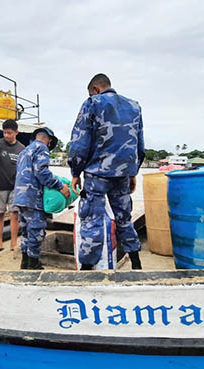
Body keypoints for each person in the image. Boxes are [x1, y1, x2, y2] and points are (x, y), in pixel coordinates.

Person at [68, 73, 145, 270]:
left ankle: (87, 269)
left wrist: (76, 172)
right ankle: (136, 264)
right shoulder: (134, 106)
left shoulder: (92, 103)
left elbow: (79, 143)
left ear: (95, 89)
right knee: (124, 219)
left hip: (97, 175)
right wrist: (132, 173)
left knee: (92, 221)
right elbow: (139, 145)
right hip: (122, 175)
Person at [13, 128, 70, 269]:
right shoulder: (42, 148)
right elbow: (41, 171)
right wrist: (59, 186)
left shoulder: (23, 151)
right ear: (48, 140)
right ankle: (33, 265)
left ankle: (25, 263)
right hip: (32, 198)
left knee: (26, 231)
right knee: (37, 231)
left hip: (20, 197)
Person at [0, 119, 25, 255]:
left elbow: (23, 170)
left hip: (15, 187)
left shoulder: (22, 149)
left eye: (9, 133)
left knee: (14, 214)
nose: (7, 135)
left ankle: (14, 244)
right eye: (4, 132)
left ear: (16, 132)